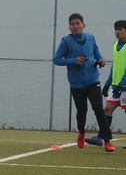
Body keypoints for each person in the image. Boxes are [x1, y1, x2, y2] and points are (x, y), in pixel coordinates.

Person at [53, 12, 114, 152]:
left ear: (83, 25)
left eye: (78, 23)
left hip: (93, 80)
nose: (75, 26)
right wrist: (73, 61)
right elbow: (57, 59)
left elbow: (96, 52)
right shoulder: (66, 41)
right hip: (77, 83)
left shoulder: (90, 37)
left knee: (99, 110)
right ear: (69, 27)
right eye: (72, 24)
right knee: (82, 111)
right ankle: (81, 132)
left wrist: (101, 60)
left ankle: (107, 141)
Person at [97, 19, 126, 147]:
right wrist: (108, 83)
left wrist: (122, 84)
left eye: (121, 29)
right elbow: (115, 66)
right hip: (115, 86)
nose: (117, 32)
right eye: (116, 29)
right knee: (107, 110)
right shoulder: (115, 45)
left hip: (124, 87)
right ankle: (101, 137)